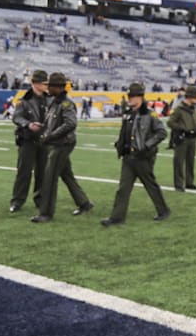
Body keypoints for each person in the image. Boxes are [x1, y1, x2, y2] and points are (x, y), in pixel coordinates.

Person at [101, 83, 170, 226]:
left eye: (132, 96)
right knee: (123, 189)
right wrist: (119, 144)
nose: (129, 99)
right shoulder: (128, 113)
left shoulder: (149, 114)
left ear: (140, 97)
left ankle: (163, 210)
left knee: (150, 185)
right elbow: (125, 132)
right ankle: (117, 218)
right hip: (128, 156)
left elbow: (162, 133)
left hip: (142, 157)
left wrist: (146, 145)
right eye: (129, 96)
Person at [31, 72, 94, 223]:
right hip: (57, 143)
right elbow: (52, 121)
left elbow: (70, 123)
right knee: (66, 175)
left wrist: (51, 135)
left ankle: (46, 213)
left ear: (57, 87)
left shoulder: (66, 103)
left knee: (50, 177)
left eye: (50, 86)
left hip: (62, 144)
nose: (47, 88)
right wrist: (44, 129)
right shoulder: (55, 102)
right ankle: (84, 203)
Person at [10, 70, 49, 213]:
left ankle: (40, 200)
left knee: (43, 172)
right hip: (27, 140)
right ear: (36, 84)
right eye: (44, 83)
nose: (47, 86)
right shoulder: (24, 100)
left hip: (44, 140)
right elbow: (16, 117)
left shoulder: (50, 99)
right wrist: (28, 125)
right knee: (24, 172)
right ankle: (17, 201)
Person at [167, 85, 196, 191]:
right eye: (195, 97)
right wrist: (183, 128)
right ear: (190, 97)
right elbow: (170, 122)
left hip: (193, 138)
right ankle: (178, 184)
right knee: (179, 162)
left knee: (190, 161)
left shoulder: (194, 109)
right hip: (182, 138)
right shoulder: (179, 109)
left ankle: (189, 182)